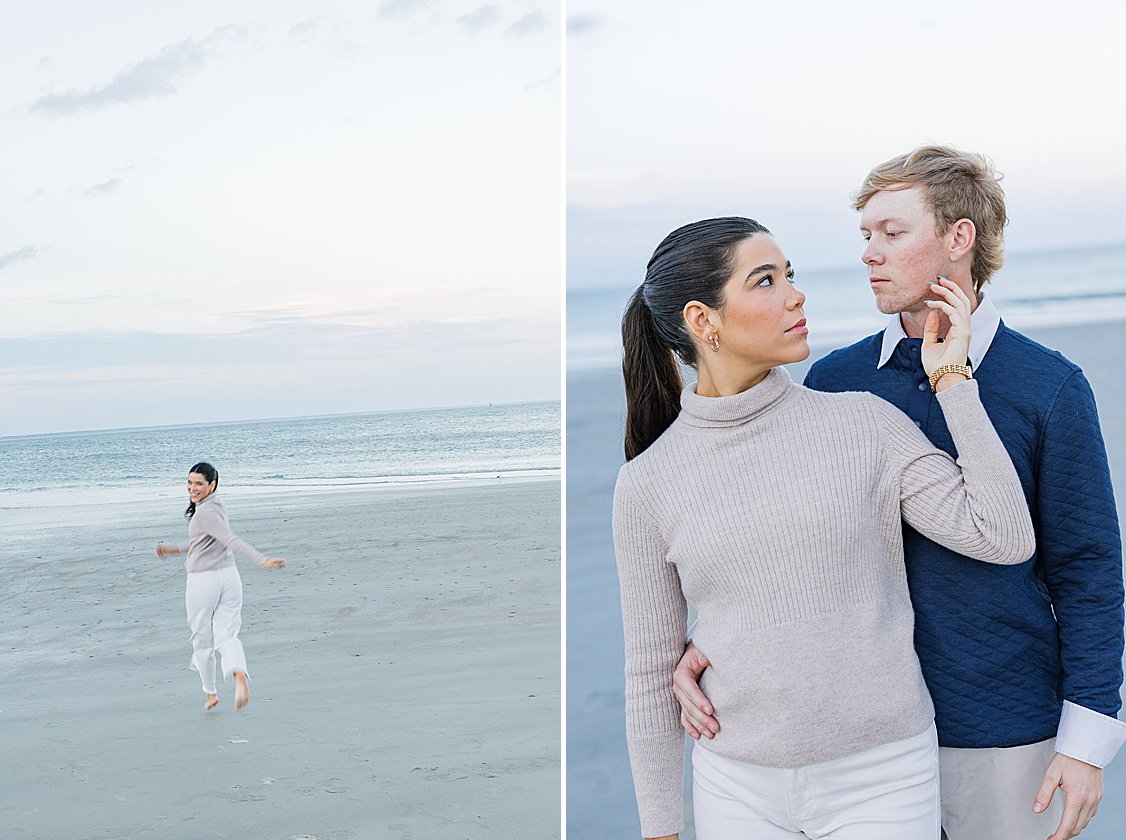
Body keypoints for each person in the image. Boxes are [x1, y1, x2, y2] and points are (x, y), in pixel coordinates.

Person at [672, 147, 1126, 840]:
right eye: (865, 236)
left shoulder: (1049, 388)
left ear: (958, 238)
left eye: (891, 233)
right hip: (855, 743)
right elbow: (785, 544)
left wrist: (1084, 743)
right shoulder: (833, 381)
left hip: (1000, 731)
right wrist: (710, 645)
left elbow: (1089, 568)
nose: (869, 254)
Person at [613, 216, 1036, 839]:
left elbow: (1002, 535)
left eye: (790, 276)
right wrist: (660, 829)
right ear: (704, 322)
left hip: (884, 774)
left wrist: (952, 379)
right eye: (764, 281)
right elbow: (650, 671)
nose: (794, 294)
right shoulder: (648, 483)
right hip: (735, 784)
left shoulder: (864, 424)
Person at [155, 462, 286, 711]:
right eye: (190, 483)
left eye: (199, 484)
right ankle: (238, 676)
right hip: (229, 576)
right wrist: (175, 550)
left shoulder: (204, 513)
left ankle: (211, 693)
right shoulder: (216, 506)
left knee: (202, 638)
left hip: (204, 581)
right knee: (227, 634)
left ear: (212, 485)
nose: (192, 488)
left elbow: (230, 539)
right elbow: (206, 540)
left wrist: (261, 559)